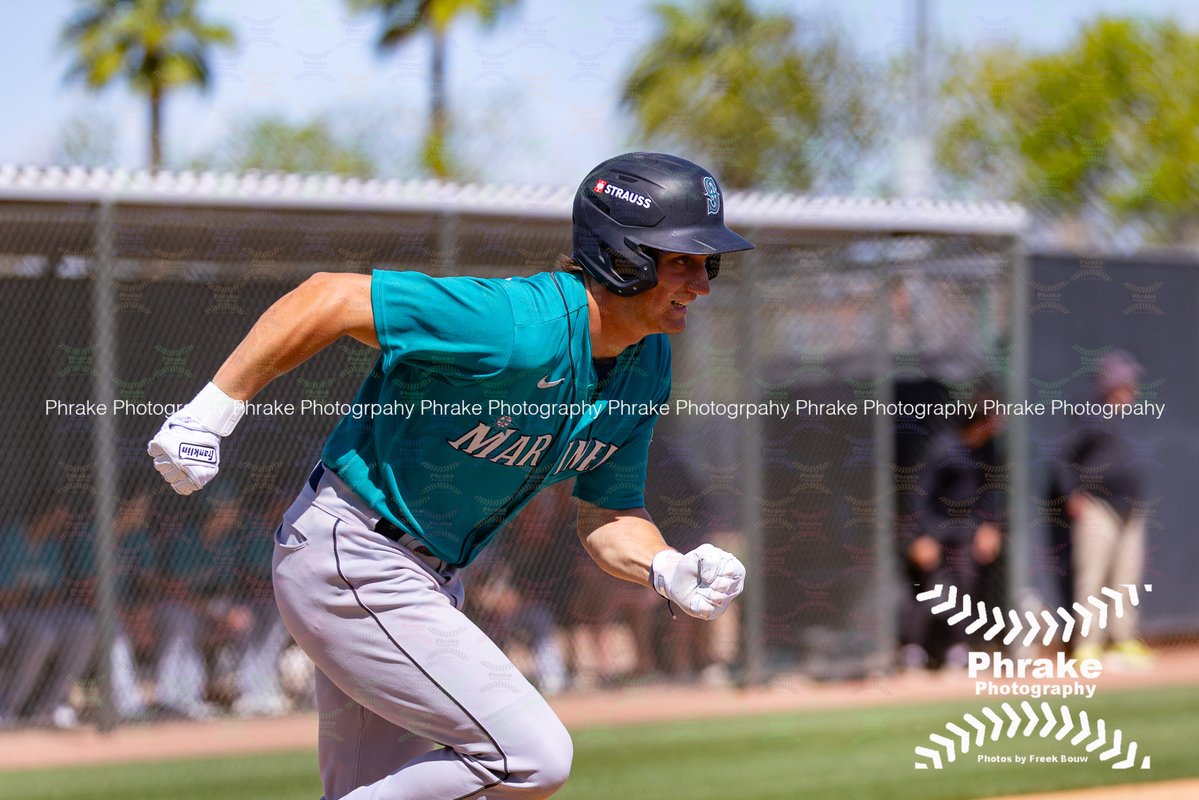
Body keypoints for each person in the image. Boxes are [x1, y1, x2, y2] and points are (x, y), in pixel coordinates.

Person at [148, 152, 750, 800]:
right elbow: (328, 298)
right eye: (681, 260)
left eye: (707, 262)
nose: (701, 283)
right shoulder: (514, 324)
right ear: (621, 256)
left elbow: (607, 514)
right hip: (352, 552)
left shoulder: (647, 363)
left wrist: (664, 567)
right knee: (529, 755)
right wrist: (211, 412)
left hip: (424, 577)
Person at [1058, 350, 1152, 667]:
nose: (1132, 389)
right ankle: (1088, 646)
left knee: (1126, 579)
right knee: (1092, 578)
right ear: (1111, 383)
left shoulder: (1125, 417)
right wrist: (1073, 494)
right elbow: (1064, 458)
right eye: (1127, 382)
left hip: (1131, 510)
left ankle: (1123, 638)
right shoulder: (1088, 414)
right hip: (1098, 507)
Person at [901, 392, 1004, 670]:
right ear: (978, 421)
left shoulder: (988, 450)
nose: (997, 425)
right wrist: (922, 536)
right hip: (935, 528)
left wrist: (990, 526)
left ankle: (958, 650)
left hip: (965, 531)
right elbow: (920, 495)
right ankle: (913, 651)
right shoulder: (943, 449)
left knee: (965, 590)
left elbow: (989, 492)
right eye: (992, 420)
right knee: (925, 592)